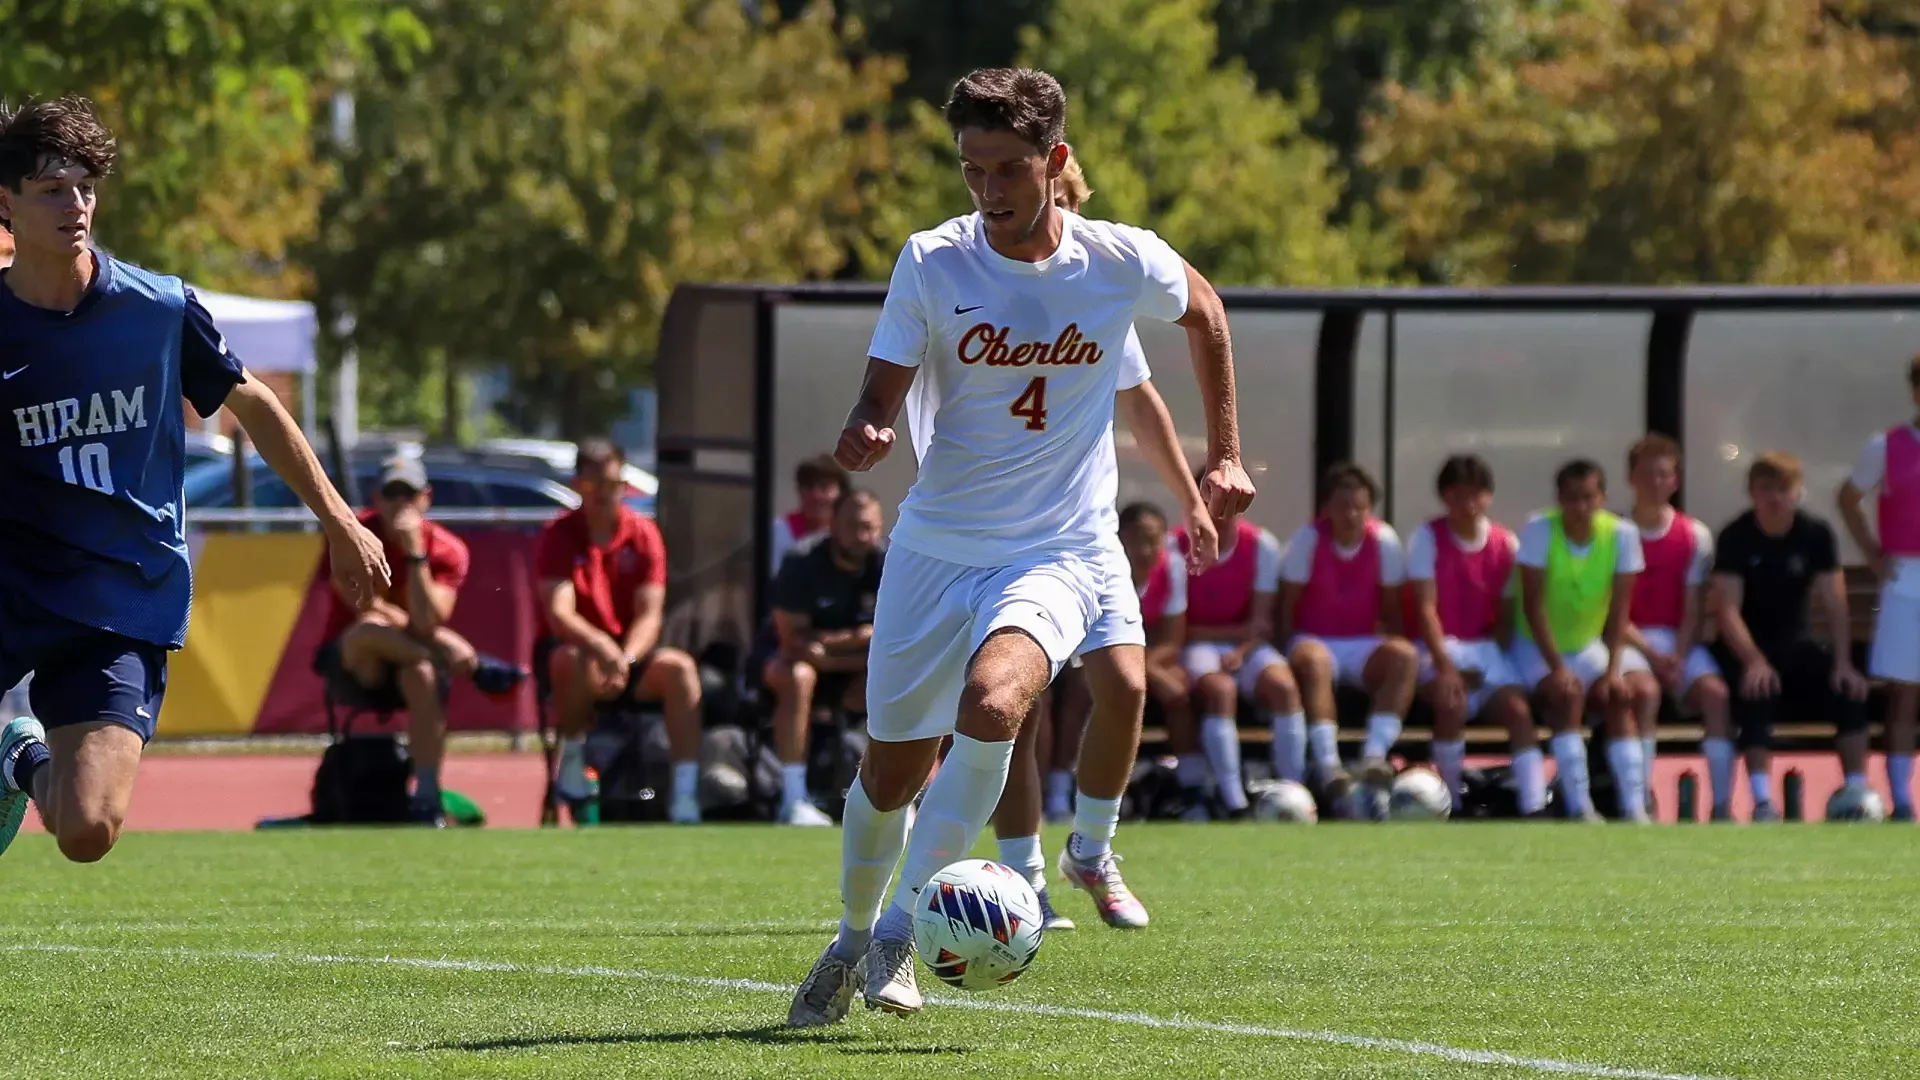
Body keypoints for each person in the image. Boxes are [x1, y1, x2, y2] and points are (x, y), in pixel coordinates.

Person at [787, 67, 1253, 1026]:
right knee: (890, 768)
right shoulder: (932, 261)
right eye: (971, 170)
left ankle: (904, 932)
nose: (988, 190)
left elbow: (1206, 312)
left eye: (1006, 169)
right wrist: (867, 430)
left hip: (1058, 549)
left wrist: (1227, 460)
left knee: (996, 703)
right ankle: (851, 931)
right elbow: (880, 393)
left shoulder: (1116, 260)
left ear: (1057, 162)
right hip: (934, 546)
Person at [0, 97, 388, 861]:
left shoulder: (156, 308)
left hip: (118, 588)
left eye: (84, 186)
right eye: (50, 189)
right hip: (11, 575)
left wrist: (340, 520)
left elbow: (256, 402)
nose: (74, 205)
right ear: (5, 202)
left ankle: (20, 757)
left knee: (86, 831)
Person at [990, 153, 1203, 924]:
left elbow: (1143, 405)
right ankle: (1020, 876)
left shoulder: (1098, 284)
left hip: (1086, 534)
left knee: (1127, 685)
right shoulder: (978, 278)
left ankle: (1091, 851)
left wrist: (1192, 500)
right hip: (1006, 534)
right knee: (1022, 702)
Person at [314, 456, 527, 822]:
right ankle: (468, 666)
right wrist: (445, 644)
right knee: (369, 631)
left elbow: (429, 619)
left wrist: (415, 553)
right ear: (376, 498)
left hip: (410, 661)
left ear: (426, 498)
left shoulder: (447, 549)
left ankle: (427, 794)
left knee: (422, 673)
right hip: (355, 660)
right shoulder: (349, 536)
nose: (400, 504)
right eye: (391, 494)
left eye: (409, 495)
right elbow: (365, 606)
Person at [536, 439, 707, 824]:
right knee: (568, 659)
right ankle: (575, 764)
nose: (603, 494)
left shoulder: (643, 534)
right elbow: (559, 613)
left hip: (631, 658)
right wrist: (601, 647)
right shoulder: (558, 535)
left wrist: (626, 658)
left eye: (611, 484)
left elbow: (650, 614)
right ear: (579, 484)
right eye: (593, 484)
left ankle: (685, 794)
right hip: (583, 657)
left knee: (680, 669)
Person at [1720, 452, 1869, 817]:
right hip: (1750, 649)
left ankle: (1856, 793)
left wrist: (1843, 663)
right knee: (1756, 690)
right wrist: (1753, 661)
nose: (1775, 497)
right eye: (1765, 489)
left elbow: (1835, 603)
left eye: (1783, 488)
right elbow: (1727, 609)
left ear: (1797, 491)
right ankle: (1762, 801)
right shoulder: (1736, 537)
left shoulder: (1814, 534)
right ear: (1752, 493)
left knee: (1849, 691)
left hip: (1798, 646)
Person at [1511, 459, 1657, 822]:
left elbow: (1620, 612)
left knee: (1620, 697)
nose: (1580, 507)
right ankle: (1580, 807)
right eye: (1572, 498)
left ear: (1602, 498)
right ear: (1559, 498)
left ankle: (1635, 808)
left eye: (1589, 497)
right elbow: (1532, 605)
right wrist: (1558, 668)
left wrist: (1612, 671)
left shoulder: (1622, 534)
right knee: (1567, 695)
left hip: (1588, 645)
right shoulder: (1539, 529)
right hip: (1536, 647)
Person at [1403, 455, 1538, 815]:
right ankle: (1452, 802)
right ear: (1445, 497)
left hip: (1485, 651)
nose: (1467, 504)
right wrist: (1446, 668)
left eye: (1475, 494)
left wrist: (1492, 662)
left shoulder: (1505, 543)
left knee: (1519, 712)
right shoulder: (1426, 538)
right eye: (1458, 495)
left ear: (1488, 496)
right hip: (1438, 650)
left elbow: (1506, 617)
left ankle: (1535, 805)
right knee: (1451, 704)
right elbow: (1426, 609)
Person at [1279, 462, 1417, 794]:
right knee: (1315, 661)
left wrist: (1388, 649)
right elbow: (1287, 607)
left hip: (1363, 643)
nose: (1351, 514)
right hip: (1314, 639)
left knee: (1405, 656)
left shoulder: (1384, 540)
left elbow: (1393, 609)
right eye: (1343, 506)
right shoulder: (1307, 540)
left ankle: (1373, 757)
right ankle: (1329, 766)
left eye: (1360, 507)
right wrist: (1285, 653)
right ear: (1327, 508)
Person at [758, 489, 886, 827]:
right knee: (799, 676)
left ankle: (897, 795)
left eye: (869, 528)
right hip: (787, 664)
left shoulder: (889, 563)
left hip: (851, 667)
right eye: (853, 526)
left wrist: (834, 650)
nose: (862, 536)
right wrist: (858, 639)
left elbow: (896, 641)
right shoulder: (802, 561)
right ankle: (793, 797)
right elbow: (794, 643)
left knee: (902, 673)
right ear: (833, 525)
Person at [1622, 435, 1732, 817]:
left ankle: (1721, 806)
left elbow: (1693, 607)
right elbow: (1612, 614)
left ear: (1675, 480)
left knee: (1716, 695)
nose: (1655, 482)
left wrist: (1679, 656)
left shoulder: (1694, 535)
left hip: (1678, 643)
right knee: (1644, 693)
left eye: (1663, 475)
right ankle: (1641, 800)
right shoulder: (1616, 533)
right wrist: (1653, 655)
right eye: (1647, 474)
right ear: (1631, 478)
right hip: (1630, 642)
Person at [1836, 357, 1920, 821]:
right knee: (1904, 693)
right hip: (1906, 577)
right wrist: (1872, 553)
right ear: (1914, 390)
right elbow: (1849, 498)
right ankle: (1903, 799)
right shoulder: (1884, 446)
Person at [1176, 492, 1293, 816]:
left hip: (1247, 648)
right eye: (1213, 502)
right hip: (1195, 648)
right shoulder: (1175, 545)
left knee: (1283, 687)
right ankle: (1234, 800)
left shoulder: (1261, 545)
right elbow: (1179, 629)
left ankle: (1294, 792)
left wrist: (1242, 649)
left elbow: (1261, 622)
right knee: (1221, 690)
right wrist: (1234, 635)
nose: (1221, 512)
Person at [770, 454, 849, 576]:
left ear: (842, 493)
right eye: (808, 487)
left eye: (824, 487)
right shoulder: (777, 531)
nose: (815, 496)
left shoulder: (853, 534)